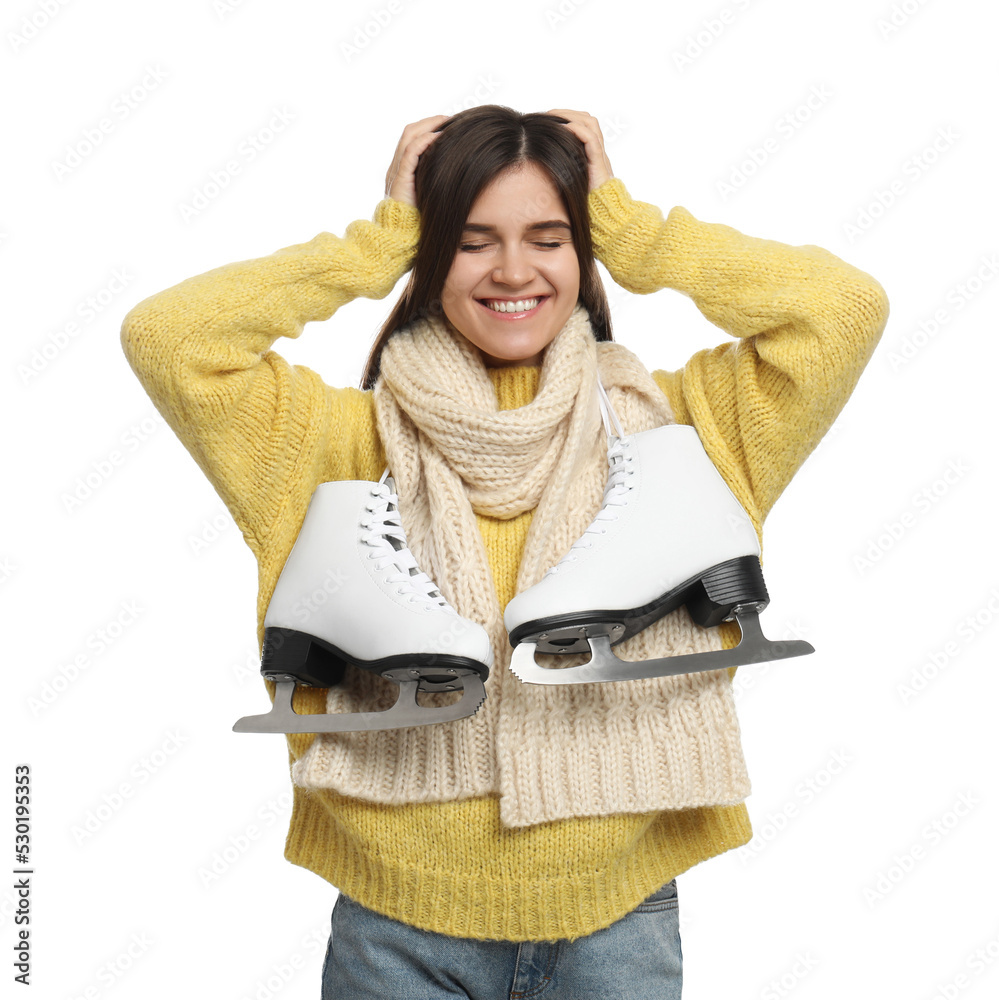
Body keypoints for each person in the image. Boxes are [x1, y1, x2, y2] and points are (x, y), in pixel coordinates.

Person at [119, 105, 889, 999]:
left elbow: (843, 311)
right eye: (472, 240)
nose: (513, 271)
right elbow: (169, 340)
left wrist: (632, 230)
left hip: (619, 931)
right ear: (430, 250)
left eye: (550, 237)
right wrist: (380, 243)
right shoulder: (328, 441)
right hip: (394, 932)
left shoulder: (687, 430)